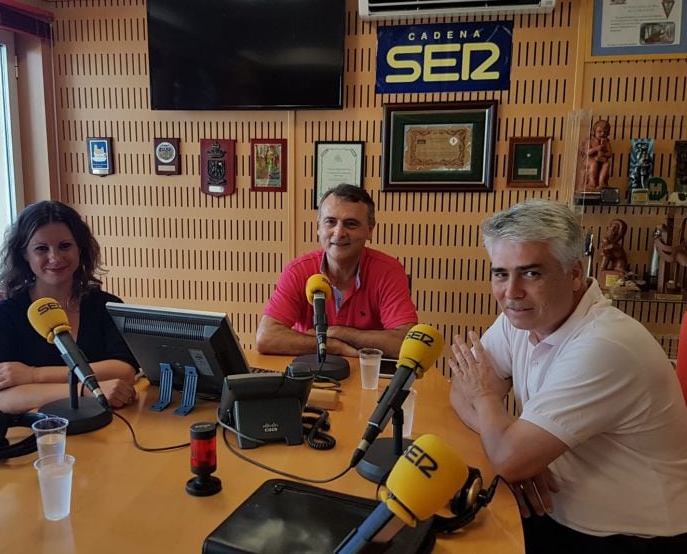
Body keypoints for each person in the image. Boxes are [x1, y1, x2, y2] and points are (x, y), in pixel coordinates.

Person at [447, 200, 687, 554]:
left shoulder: (605, 345)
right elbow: (459, 391)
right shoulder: (523, 316)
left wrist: (502, 428)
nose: (511, 292)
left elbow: (492, 426)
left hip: (632, 538)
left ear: (575, 273)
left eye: (531, 273)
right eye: (500, 273)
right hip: (554, 512)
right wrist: (515, 446)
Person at [0, 200, 139, 413]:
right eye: (41, 249)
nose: (55, 257)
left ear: (80, 248)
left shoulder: (106, 306)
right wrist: (84, 391)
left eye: (65, 246)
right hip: (34, 436)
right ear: (25, 254)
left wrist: (32, 376)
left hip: (106, 428)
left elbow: (123, 371)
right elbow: (2, 399)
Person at [256, 184, 417, 358]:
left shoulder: (389, 271)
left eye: (351, 224)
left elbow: (407, 344)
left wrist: (339, 333)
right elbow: (266, 337)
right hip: (310, 373)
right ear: (319, 227)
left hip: (366, 376)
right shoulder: (298, 270)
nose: (339, 233)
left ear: (370, 230)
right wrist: (333, 346)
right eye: (330, 222)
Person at [578, 119, 612, 191]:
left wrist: (604, 154)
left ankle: (601, 181)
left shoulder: (606, 142)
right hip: (589, 160)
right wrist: (596, 148)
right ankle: (592, 182)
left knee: (607, 164)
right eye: (599, 132)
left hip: (601, 159)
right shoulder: (590, 141)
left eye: (605, 132)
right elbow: (587, 152)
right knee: (594, 164)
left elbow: (610, 154)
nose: (602, 134)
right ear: (594, 132)